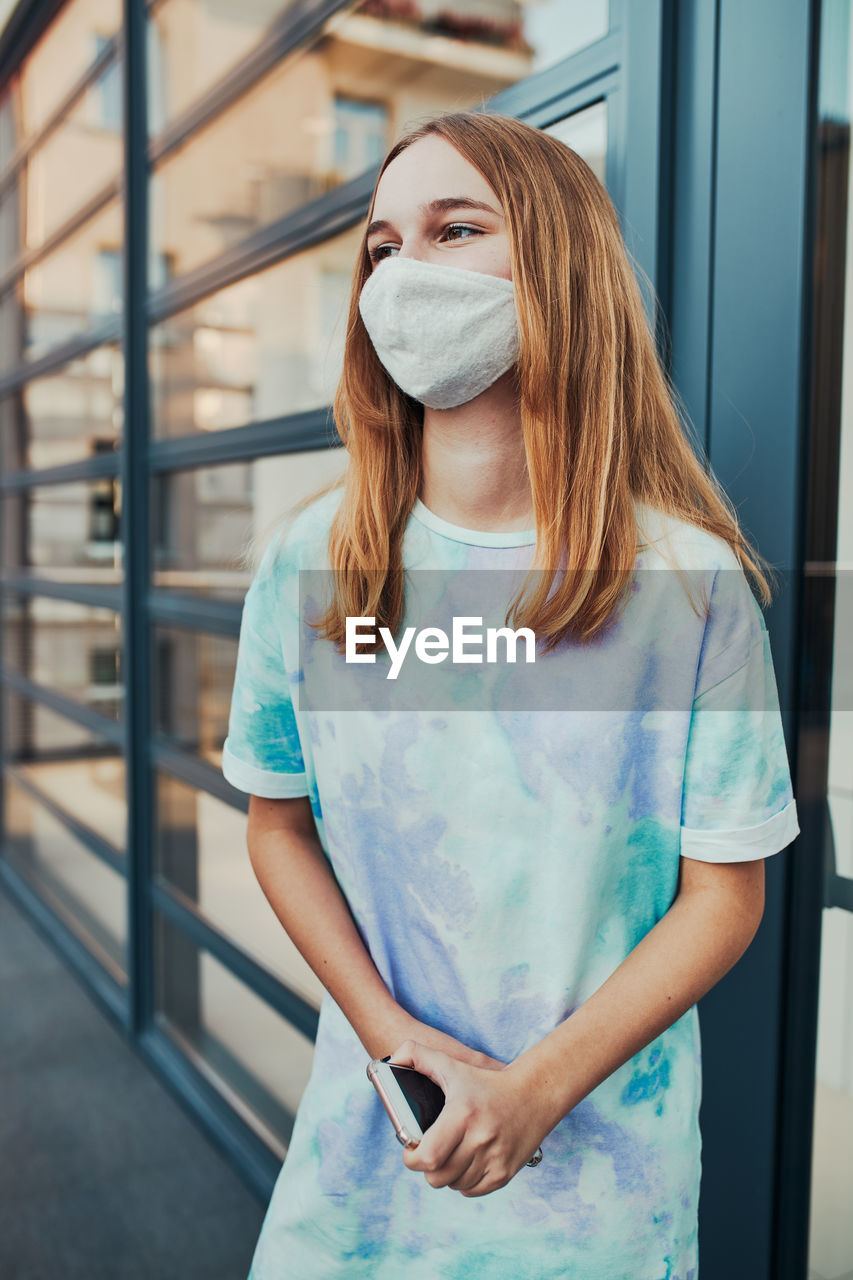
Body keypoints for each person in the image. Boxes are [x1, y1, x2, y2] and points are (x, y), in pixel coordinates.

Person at [221, 110, 800, 1280]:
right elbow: (276, 824)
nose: (403, 274)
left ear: (559, 269)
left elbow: (722, 898)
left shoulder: (688, 586)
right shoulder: (310, 568)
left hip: (598, 1194)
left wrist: (533, 1091)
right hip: (369, 1160)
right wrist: (400, 1046)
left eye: (455, 228)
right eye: (383, 246)